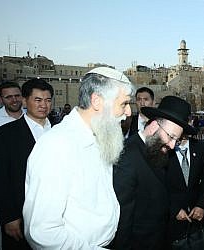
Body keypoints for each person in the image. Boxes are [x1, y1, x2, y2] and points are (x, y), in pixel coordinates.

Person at [22, 67, 134, 249]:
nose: (128, 112)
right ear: (97, 101)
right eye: (124, 104)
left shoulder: (100, 136)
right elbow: (42, 233)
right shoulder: (57, 146)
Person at [112, 96, 196, 250]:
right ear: (154, 125)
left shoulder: (156, 150)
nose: (172, 145)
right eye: (171, 137)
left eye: (176, 141)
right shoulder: (127, 156)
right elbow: (122, 220)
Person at [0, 78, 54, 250]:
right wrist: (8, 216)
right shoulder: (4, 135)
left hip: (56, 214)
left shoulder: (60, 131)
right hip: (21, 215)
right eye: (38, 100)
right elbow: (0, 179)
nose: (43, 105)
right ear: (25, 101)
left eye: (48, 100)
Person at [166, 134, 204, 242]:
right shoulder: (165, 148)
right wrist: (174, 210)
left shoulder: (201, 147)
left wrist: (201, 205)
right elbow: (160, 185)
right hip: (171, 217)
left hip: (196, 216)